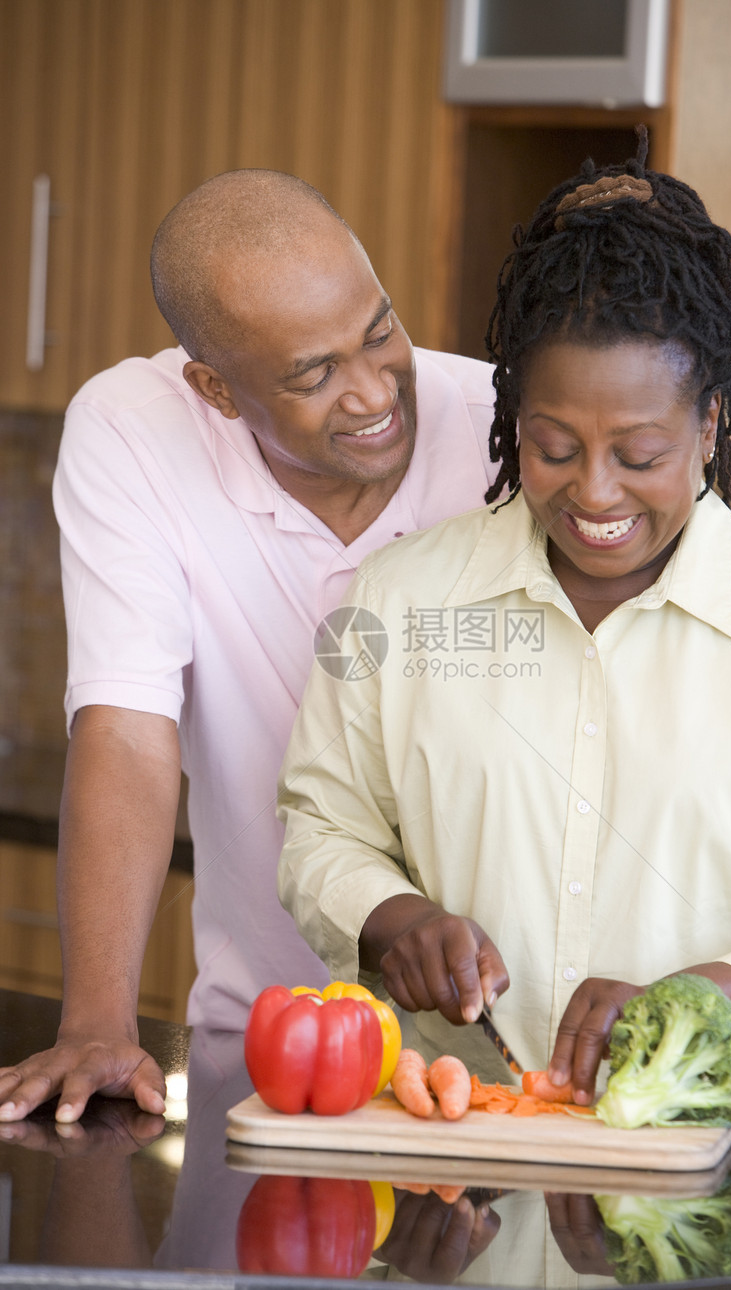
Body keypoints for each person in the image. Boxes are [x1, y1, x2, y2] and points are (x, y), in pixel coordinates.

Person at [277, 140, 731, 1158]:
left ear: (709, 421)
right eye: (553, 447)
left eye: (639, 456)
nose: (592, 492)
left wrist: (711, 992)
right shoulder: (401, 600)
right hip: (458, 1164)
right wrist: (390, 914)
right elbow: (319, 825)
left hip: (725, 1180)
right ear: (512, 420)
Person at [0, 170, 497, 1124]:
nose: (372, 392)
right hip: (268, 1048)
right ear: (215, 389)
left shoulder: (510, 432)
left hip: (490, 1056)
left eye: (379, 331)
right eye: (313, 374)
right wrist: (99, 1021)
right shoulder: (134, 430)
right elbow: (126, 728)